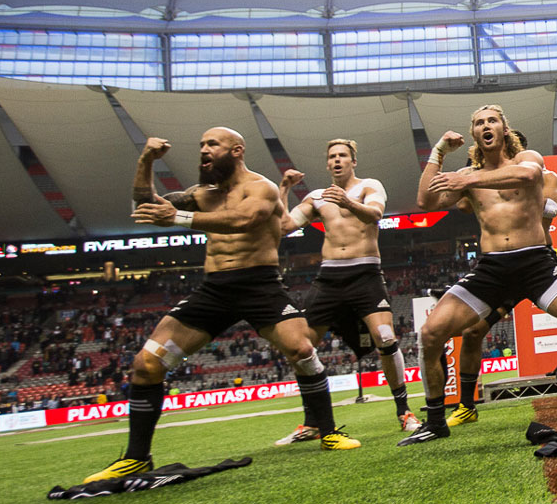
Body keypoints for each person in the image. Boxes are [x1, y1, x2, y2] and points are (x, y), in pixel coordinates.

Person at [84, 128, 360, 483]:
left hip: (260, 285)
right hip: (215, 289)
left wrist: (180, 219)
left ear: (237, 150)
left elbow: (245, 220)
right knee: (146, 365)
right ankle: (137, 458)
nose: (204, 150)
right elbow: (145, 204)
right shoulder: (202, 194)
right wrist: (146, 161)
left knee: (303, 349)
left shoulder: (261, 187)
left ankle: (328, 431)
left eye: (212, 144)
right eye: (201, 144)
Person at [405, 105, 557, 443]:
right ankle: (436, 420)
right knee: (430, 333)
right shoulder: (466, 175)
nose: (486, 125)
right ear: (473, 134)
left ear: (504, 129)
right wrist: (438, 153)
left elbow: (529, 177)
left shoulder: (525, 159)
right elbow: (425, 201)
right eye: (479, 122)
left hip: (536, 262)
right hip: (492, 268)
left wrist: (467, 177)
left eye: (492, 120)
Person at [445, 132, 557, 427]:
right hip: (501, 266)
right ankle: (466, 406)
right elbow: (462, 205)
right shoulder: (484, 180)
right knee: (473, 332)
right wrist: (474, 171)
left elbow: (546, 212)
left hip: (538, 260)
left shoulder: (546, 177)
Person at [273, 138, 419, 445]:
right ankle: (311, 422)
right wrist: (284, 187)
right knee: (300, 348)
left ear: (353, 161)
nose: (337, 160)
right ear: (327, 164)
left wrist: (347, 202)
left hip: (364, 273)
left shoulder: (368, 186)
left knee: (386, 338)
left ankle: (404, 412)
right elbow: (284, 225)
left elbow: (376, 215)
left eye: (343, 156)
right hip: (329, 278)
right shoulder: (316, 196)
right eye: (332, 157)